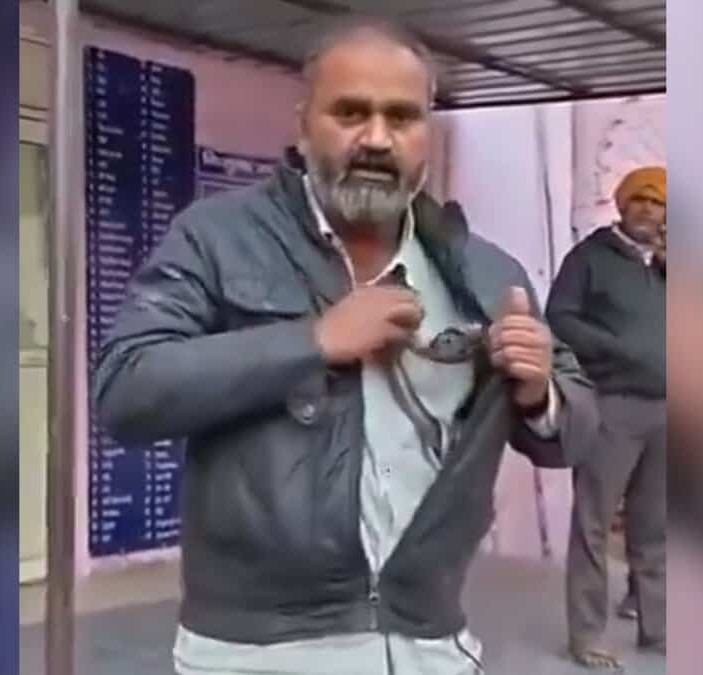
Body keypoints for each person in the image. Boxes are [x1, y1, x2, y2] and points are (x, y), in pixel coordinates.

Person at [94, 17, 599, 675]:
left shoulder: (485, 270)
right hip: (256, 650)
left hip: (428, 642)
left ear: (428, 130)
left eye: (402, 116)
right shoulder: (215, 237)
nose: (377, 139)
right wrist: (315, 340)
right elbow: (127, 390)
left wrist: (540, 393)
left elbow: (575, 434)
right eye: (351, 112)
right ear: (304, 125)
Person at [546, 167, 667, 670]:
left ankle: (658, 629)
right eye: (639, 200)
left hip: (667, 410)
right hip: (612, 405)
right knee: (594, 524)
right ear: (621, 205)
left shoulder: (664, 263)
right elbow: (561, 316)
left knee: (657, 526)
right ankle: (588, 634)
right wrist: (616, 351)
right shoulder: (590, 258)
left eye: (658, 204)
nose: (648, 210)